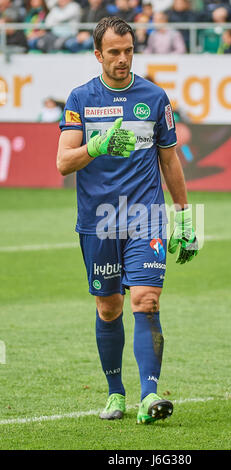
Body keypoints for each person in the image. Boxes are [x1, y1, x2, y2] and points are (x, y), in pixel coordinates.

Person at [57, 16, 198, 424]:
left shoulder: (154, 97)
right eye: (114, 52)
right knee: (108, 307)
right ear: (98, 54)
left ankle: (149, 396)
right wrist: (96, 146)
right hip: (98, 220)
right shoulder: (80, 98)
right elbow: (63, 162)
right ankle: (115, 393)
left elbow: (169, 160)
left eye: (128, 51)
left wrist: (185, 216)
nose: (122, 59)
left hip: (146, 216)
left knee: (146, 301)